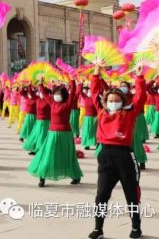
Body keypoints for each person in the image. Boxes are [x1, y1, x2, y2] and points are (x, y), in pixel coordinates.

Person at [87, 61, 146, 239]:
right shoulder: (102, 111)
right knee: (101, 195)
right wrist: (96, 72)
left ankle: (136, 227)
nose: (113, 103)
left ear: (122, 102)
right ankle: (98, 229)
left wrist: (139, 77)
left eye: (116, 101)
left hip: (125, 156)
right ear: (106, 102)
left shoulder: (129, 113)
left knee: (131, 193)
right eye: (110, 101)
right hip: (105, 156)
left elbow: (141, 97)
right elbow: (95, 92)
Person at [28, 79, 82, 187]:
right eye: (55, 93)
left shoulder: (68, 103)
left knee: (68, 156)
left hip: (65, 134)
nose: (56, 95)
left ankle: (76, 176)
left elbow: (73, 92)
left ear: (64, 95)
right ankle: (42, 177)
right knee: (47, 155)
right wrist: (40, 83)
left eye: (59, 94)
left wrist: (72, 80)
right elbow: (43, 93)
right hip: (52, 133)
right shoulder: (52, 102)